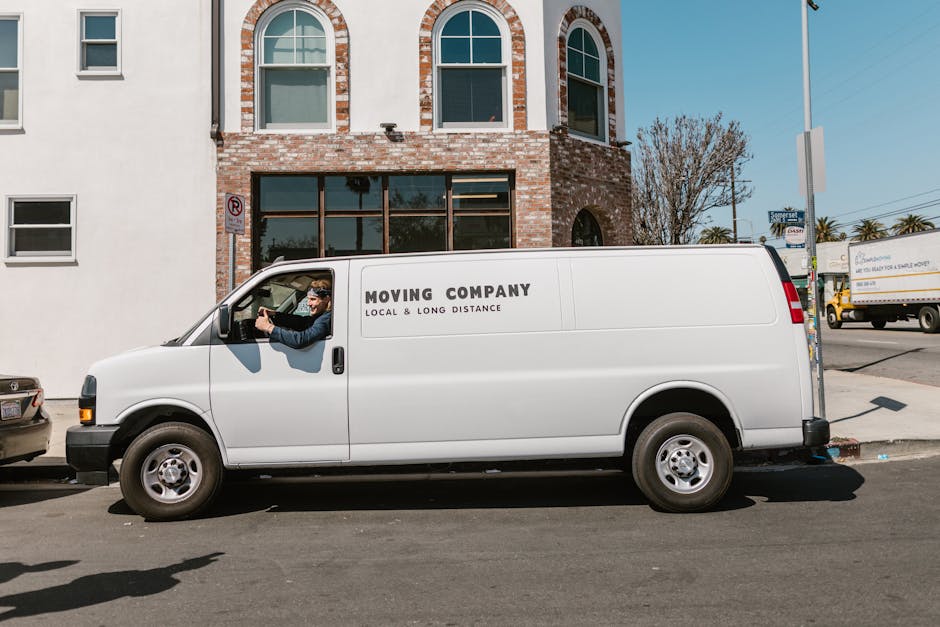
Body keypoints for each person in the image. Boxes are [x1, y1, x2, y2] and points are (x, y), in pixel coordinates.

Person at [254, 279, 332, 349]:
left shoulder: (326, 319)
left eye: (313, 299)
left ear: (326, 299)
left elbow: (300, 340)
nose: (308, 303)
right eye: (308, 299)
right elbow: (302, 322)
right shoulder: (321, 316)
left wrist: (268, 327)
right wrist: (274, 314)